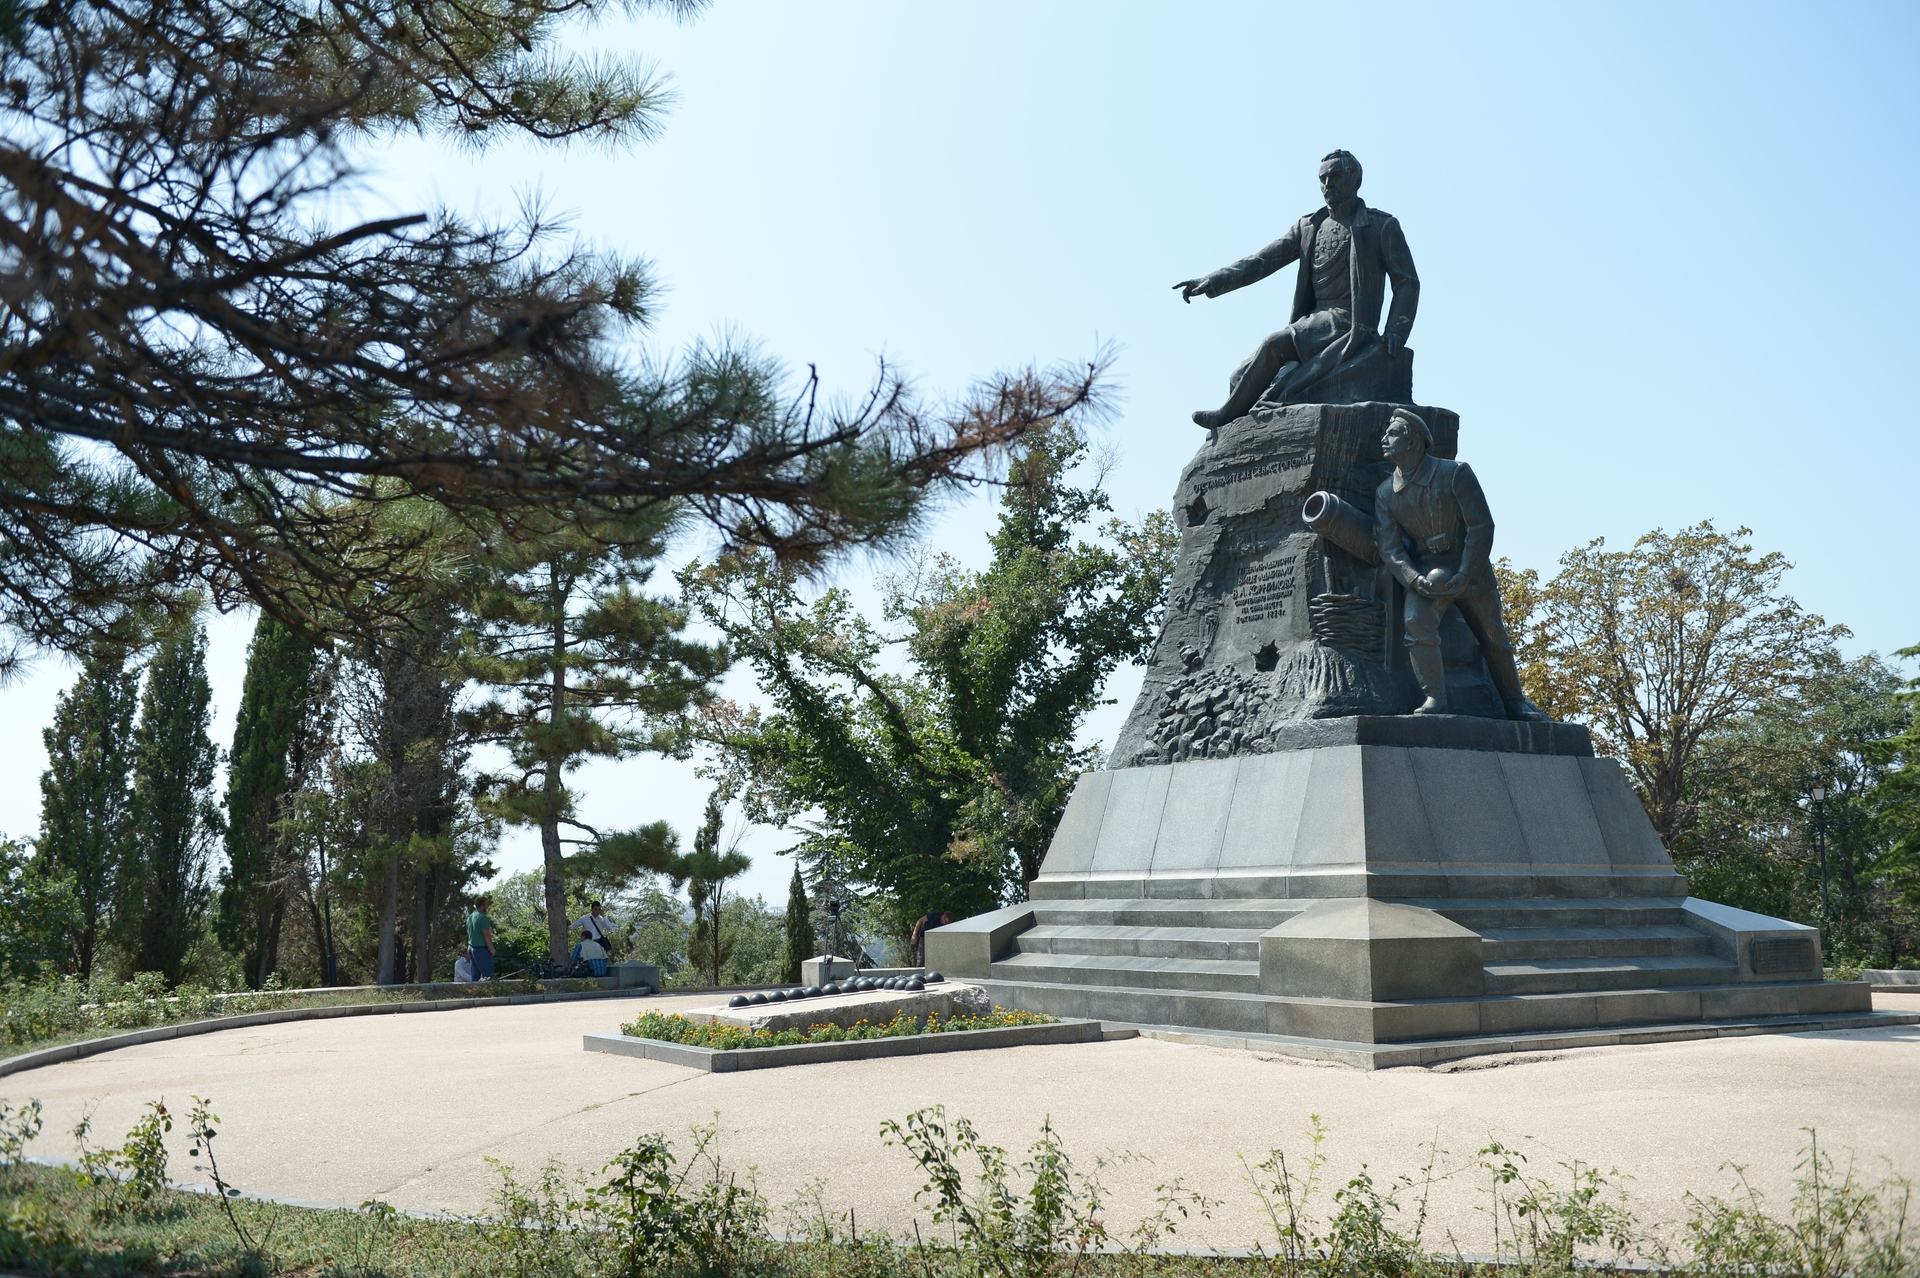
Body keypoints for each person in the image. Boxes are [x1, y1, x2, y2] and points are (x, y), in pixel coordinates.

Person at [1174, 150, 1419, 427]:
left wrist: (1396, 330)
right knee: (1239, 376)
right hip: (1313, 323)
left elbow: (1407, 282)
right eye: (1323, 178)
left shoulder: (1379, 226)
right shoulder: (1308, 227)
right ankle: (1239, 435)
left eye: (1336, 176)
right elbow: (1261, 261)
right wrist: (1214, 280)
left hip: (1348, 322)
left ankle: (1225, 416)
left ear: (1356, 179)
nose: (1328, 184)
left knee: (1273, 344)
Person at [1371, 408, 1549, 722]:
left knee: (1494, 637)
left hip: (1470, 566)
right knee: (1416, 623)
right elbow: (1390, 548)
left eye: (1393, 433)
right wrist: (1414, 580)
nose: (1384, 439)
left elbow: (1481, 526)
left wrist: (1467, 572)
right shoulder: (1386, 493)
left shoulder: (1454, 473)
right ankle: (1434, 698)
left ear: (1412, 441)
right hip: (1427, 572)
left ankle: (1516, 702)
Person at [569, 901, 616, 965]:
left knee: (600, 960)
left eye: (599, 909)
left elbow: (609, 927)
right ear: (592, 909)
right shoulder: (585, 918)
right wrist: (567, 924)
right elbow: (572, 927)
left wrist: (604, 916)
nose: (597, 911)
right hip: (588, 943)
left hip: (599, 943)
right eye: (595, 909)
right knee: (588, 960)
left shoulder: (602, 919)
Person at [467, 895, 497, 980]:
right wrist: (492, 949)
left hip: (471, 947)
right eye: (487, 904)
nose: (488, 906)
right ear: (482, 905)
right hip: (480, 949)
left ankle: (476, 991)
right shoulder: (483, 917)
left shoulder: (470, 917)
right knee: (488, 975)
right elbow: (486, 934)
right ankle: (490, 991)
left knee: (475, 974)